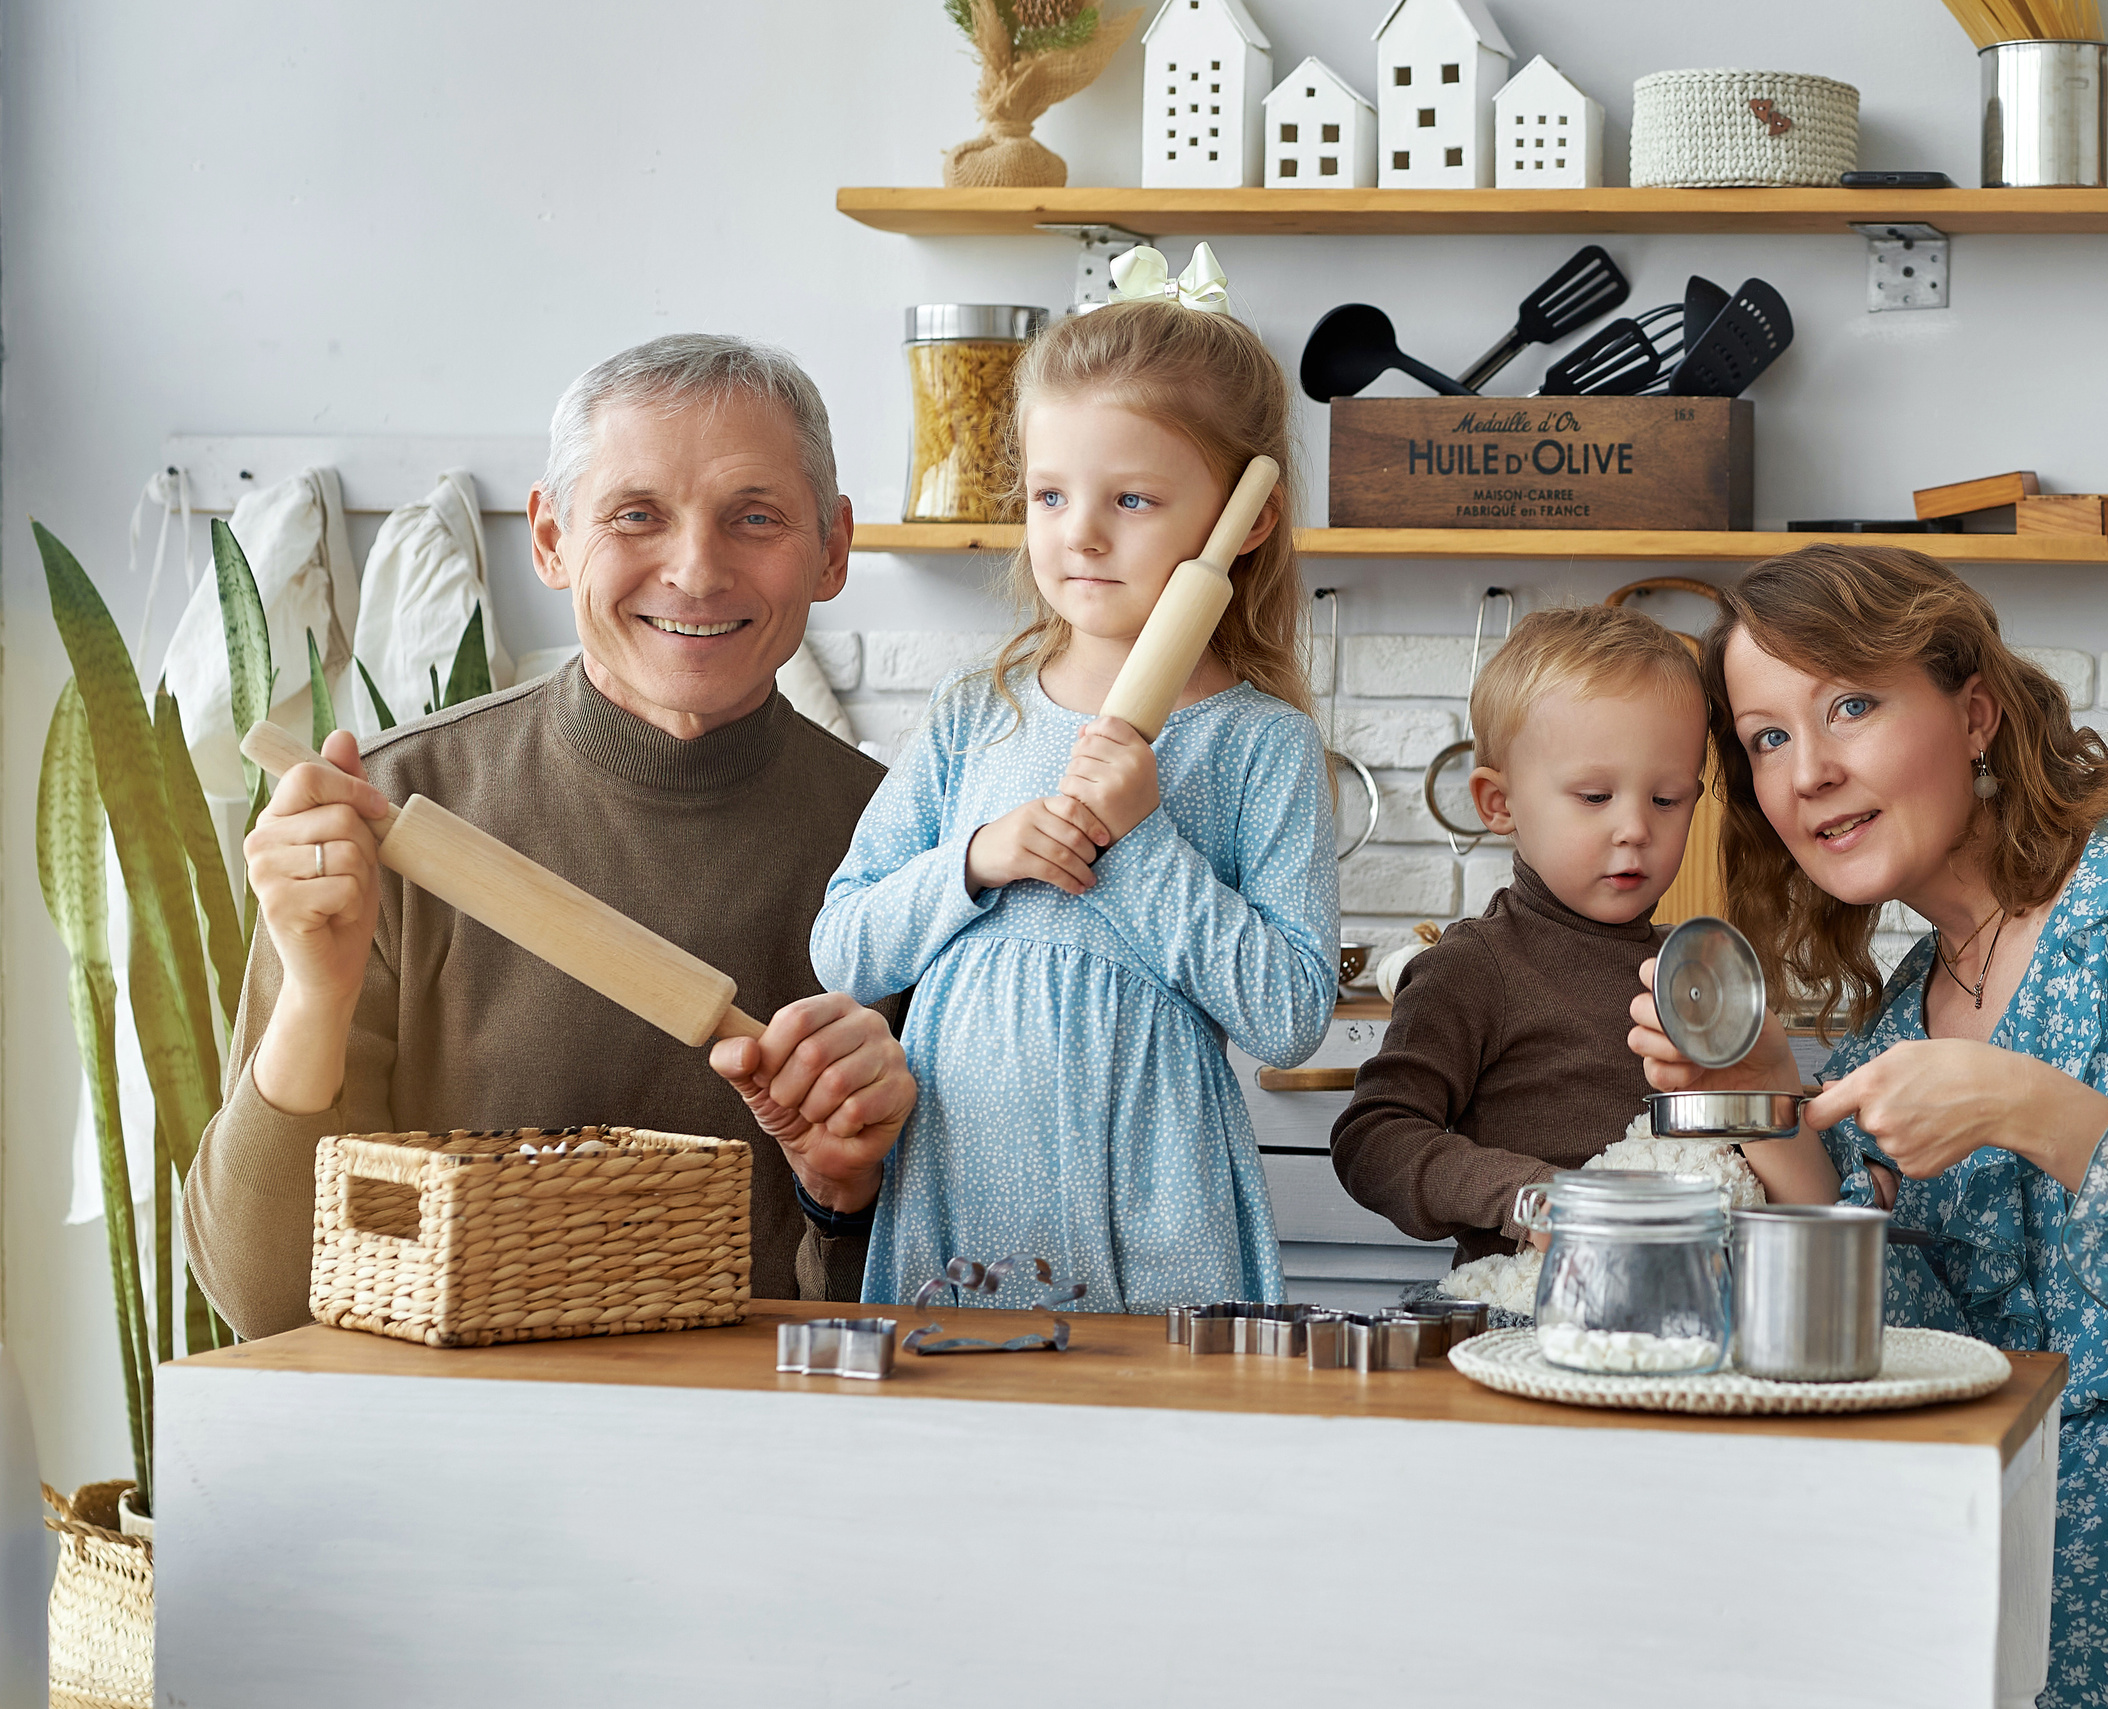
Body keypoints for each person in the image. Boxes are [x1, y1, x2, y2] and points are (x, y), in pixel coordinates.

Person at [1632, 544, 2108, 1705]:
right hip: (1997, 1586)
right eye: (1768, 738)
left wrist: (2033, 1106)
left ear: (1975, 711)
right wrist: (1772, 1096)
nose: (1810, 771)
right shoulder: (1903, 1014)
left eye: (1850, 703)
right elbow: (1895, 1344)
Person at [184, 334, 918, 1338]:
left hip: (775, 1449)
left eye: (754, 517)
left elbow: (959, 1300)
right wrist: (317, 991)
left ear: (833, 547)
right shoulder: (392, 812)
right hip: (454, 1457)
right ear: (551, 538)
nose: (696, 571)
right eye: (636, 516)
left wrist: (844, 1195)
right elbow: (260, 1297)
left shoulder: (913, 850)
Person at [809, 248, 1337, 1314]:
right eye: (1049, 493)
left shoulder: (1261, 745)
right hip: (961, 1164)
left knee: (1150, 1456)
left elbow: (1287, 1015)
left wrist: (1143, 842)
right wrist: (975, 859)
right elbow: (844, 948)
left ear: (1247, 517)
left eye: (1132, 497)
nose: (1079, 532)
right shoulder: (978, 710)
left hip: (1156, 1186)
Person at [1331, 604, 1787, 1260]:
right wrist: (1527, 1194)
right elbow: (1372, 1139)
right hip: (1524, 1316)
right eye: (1595, 796)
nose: (1635, 827)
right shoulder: (1473, 967)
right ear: (1499, 803)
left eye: (1666, 799)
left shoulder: (1692, 974)